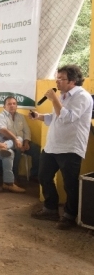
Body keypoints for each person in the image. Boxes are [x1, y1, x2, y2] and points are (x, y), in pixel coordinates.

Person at [30, 65, 93, 230]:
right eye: (56, 78)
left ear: (72, 81)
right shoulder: (62, 96)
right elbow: (57, 117)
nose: (57, 81)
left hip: (70, 147)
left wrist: (54, 100)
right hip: (53, 146)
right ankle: (50, 209)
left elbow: (68, 118)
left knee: (70, 183)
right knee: (43, 176)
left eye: (61, 79)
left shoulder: (83, 97)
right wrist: (40, 117)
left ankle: (70, 216)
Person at [0, 96, 41, 181]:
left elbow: (26, 130)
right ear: (4, 106)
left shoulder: (21, 117)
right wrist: (17, 142)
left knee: (37, 149)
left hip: (22, 141)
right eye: (9, 104)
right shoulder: (0, 117)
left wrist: (26, 142)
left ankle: (34, 175)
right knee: (17, 150)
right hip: (7, 142)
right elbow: (3, 133)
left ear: (16, 106)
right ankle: (14, 178)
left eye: (14, 104)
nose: (12, 106)